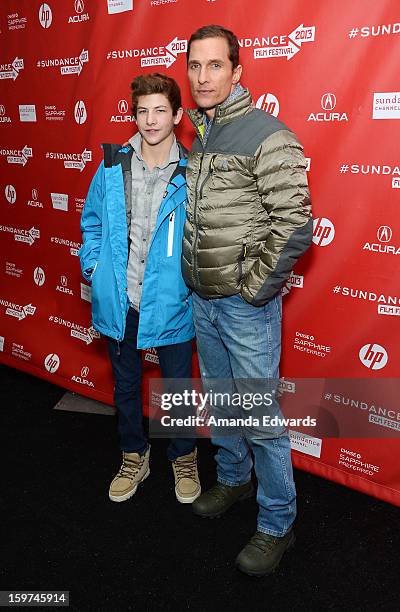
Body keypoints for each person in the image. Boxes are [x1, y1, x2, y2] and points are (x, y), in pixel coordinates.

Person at [183, 25, 313, 576]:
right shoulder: (204, 133)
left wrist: (253, 287)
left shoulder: (267, 134)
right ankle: (234, 479)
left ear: (237, 72)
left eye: (215, 65)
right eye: (195, 66)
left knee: (259, 415)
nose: (203, 76)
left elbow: (296, 223)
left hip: (243, 306)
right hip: (203, 300)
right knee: (222, 400)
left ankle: (276, 523)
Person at [79, 73, 200, 505]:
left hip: (172, 302)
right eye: (142, 111)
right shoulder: (113, 164)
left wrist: (190, 283)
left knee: (177, 387)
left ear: (177, 115)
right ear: (133, 114)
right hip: (121, 299)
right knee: (126, 385)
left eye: (160, 110)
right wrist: (94, 268)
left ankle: (183, 457)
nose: (150, 120)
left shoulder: (193, 170)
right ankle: (134, 454)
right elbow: (92, 221)